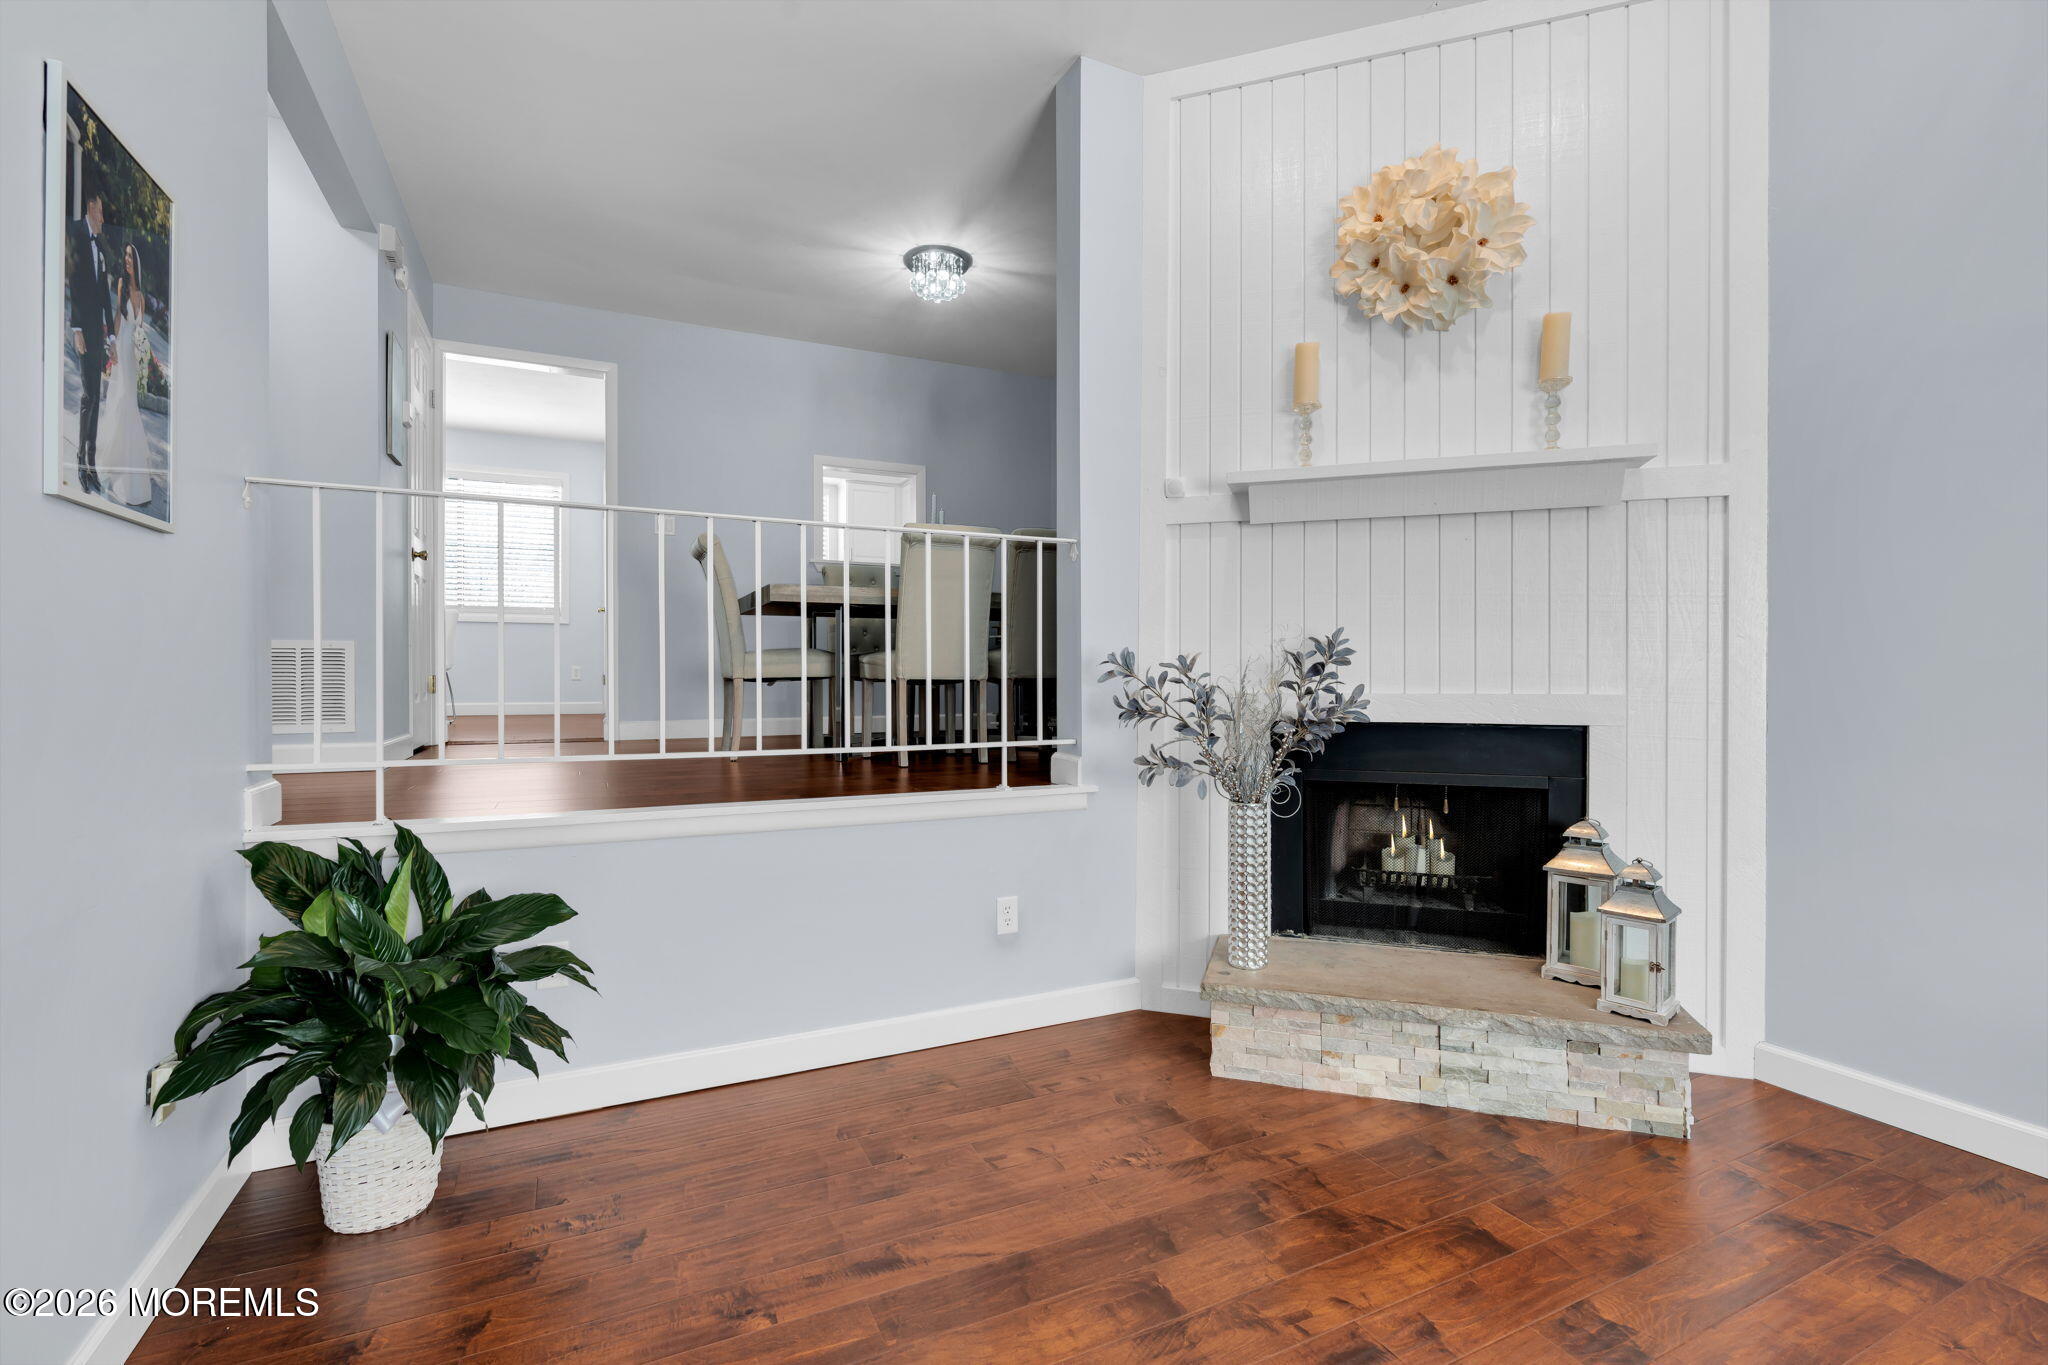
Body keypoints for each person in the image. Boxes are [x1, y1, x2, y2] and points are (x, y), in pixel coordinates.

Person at [65, 186, 116, 495]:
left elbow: (104, 296)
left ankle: (91, 464)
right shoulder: (75, 232)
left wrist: (111, 336)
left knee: (96, 395)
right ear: (91, 208)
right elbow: (73, 280)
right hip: (83, 329)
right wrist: (77, 329)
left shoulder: (100, 247)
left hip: (98, 332)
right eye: (100, 212)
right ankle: (81, 463)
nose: (103, 218)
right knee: (87, 395)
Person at [97, 244, 156, 508]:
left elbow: (140, 328)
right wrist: (112, 347)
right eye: (126, 256)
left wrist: (143, 353)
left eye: (131, 256)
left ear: (137, 263)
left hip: (133, 354)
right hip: (121, 348)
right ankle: (114, 456)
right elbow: (119, 319)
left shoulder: (141, 295)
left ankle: (130, 463)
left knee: (128, 402)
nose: (127, 259)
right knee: (119, 398)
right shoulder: (121, 284)